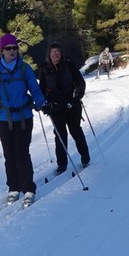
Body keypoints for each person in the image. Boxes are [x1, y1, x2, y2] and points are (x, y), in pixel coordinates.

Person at [0, 33, 47, 202]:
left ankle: (28, 189)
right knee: (9, 154)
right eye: (8, 48)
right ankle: (13, 188)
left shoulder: (25, 68)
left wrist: (41, 102)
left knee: (22, 153)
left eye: (14, 47)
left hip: (24, 117)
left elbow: (35, 90)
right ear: (2, 50)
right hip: (3, 119)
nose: (12, 51)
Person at [37, 40, 90, 174]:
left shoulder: (69, 65)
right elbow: (41, 89)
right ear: (49, 54)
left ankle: (85, 157)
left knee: (75, 131)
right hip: (55, 106)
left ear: (61, 53)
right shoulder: (45, 69)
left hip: (72, 104)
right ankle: (62, 164)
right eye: (52, 52)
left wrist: (77, 96)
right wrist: (43, 104)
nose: (55, 54)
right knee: (60, 135)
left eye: (57, 52)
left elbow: (80, 82)